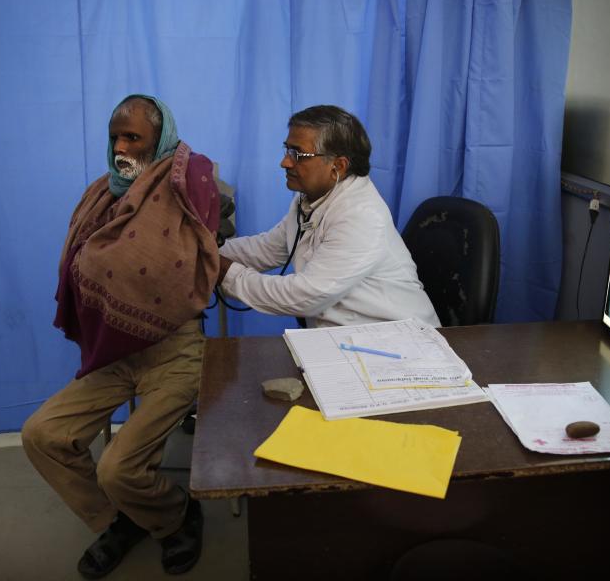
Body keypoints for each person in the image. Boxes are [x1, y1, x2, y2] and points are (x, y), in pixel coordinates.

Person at [22, 94, 219, 579]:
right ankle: (120, 520)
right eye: (115, 136)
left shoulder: (188, 177)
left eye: (133, 136)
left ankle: (175, 516)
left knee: (118, 468)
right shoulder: (102, 194)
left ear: (161, 139)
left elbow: (195, 212)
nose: (121, 146)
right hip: (115, 351)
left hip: (175, 350)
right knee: (43, 435)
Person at [218, 105, 439, 328]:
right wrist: (203, 252)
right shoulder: (311, 198)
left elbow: (303, 297)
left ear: (338, 165)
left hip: (399, 341)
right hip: (350, 338)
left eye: (298, 154)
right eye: (287, 150)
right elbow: (267, 249)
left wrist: (223, 271)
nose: (285, 162)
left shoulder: (361, 216)